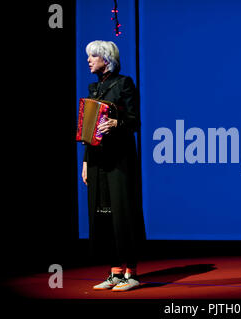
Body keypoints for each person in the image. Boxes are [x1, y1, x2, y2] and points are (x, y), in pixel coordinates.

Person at [81, 40, 146, 292]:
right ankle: (115, 272)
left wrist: (116, 124)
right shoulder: (94, 89)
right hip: (97, 159)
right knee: (102, 214)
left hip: (120, 159)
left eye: (93, 56)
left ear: (106, 59)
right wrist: (85, 162)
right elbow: (87, 130)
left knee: (123, 213)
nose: (88, 60)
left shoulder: (124, 84)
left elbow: (134, 121)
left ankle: (131, 273)